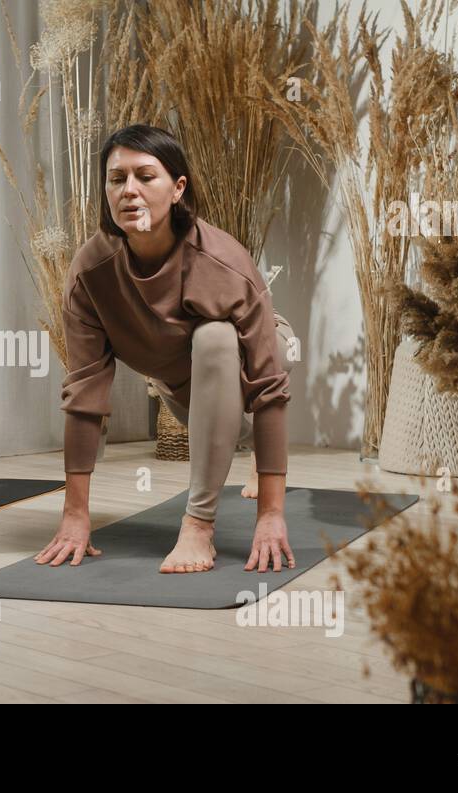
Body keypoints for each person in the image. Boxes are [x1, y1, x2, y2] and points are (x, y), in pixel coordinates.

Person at [36, 124, 298, 574]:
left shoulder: (223, 262)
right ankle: (248, 445)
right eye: (117, 179)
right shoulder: (91, 274)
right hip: (182, 381)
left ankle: (198, 525)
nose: (129, 191)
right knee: (222, 416)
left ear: (178, 189)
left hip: (261, 349)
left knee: (214, 336)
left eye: (145, 176)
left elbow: (268, 390)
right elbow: (84, 395)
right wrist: (75, 515)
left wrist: (271, 515)